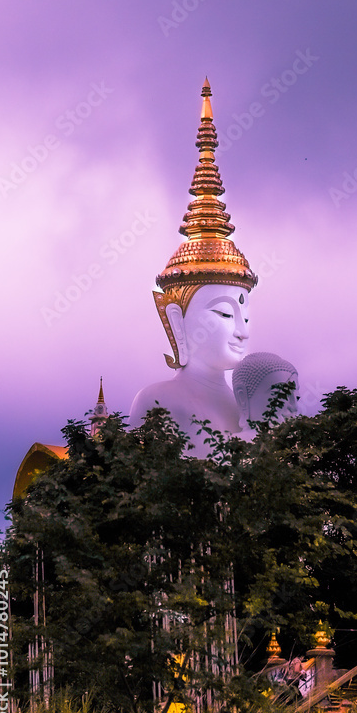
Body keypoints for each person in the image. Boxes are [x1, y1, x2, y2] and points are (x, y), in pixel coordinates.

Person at [129, 79, 258, 455]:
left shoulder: (248, 409)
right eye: (224, 313)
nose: (241, 331)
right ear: (176, 318)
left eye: (244, 316)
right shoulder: (157, 401)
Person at [232, 352, 299, 438]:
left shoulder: (300, 441)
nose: (294, 406)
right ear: (242, 398)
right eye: (281, 395)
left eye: (297, 397)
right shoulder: (231, 443)